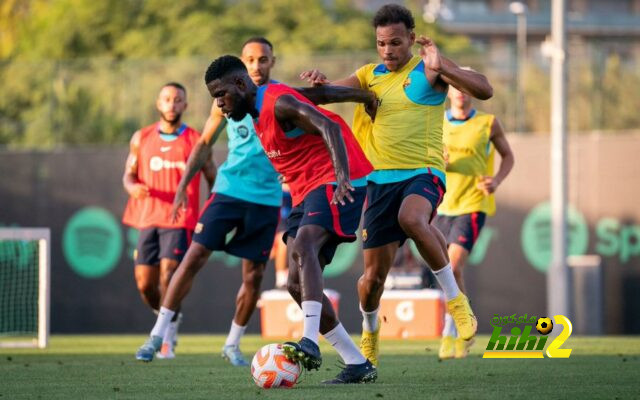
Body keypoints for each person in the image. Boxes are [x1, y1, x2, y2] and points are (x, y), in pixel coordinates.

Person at [299, 4, 493, 366]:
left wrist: (444, 65)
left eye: (396, 43)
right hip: (376, 182)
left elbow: (484, 90)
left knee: (413, 219)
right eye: (381, 43)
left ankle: (457, 303)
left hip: (423, 172)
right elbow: (323, 96)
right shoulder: (367, 75)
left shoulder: (430, 70)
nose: (388, 50)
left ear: (411, 39)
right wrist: (314, 84)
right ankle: (370, 331)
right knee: (371, 281)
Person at [205, 55, 380, 384]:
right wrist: (364, 97)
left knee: (303, 246)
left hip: (338, 179)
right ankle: (357, 362)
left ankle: (309, 341)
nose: (219, 103)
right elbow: (317, 95)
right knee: (294, 284)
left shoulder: (277, 102)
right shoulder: (263, 104)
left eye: (221, 94)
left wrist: (342, 176)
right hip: (305, 189)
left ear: (241, 85)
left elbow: (328, 124)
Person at [134, 38, 282, 366]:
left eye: (263, 59)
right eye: (250, 60)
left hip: (267, 199)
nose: (257, 66)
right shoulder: (225, 99)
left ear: (273, 61)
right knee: (195, 254)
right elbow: (204, 143)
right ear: (241, 64)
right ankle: (157, 335)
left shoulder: (283, 97)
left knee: (254, 276)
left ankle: (232, 344)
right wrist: (183, 186)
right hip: (229, 191)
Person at [122, 82, 215, 359]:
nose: (172, 104)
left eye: (178, 100)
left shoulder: (197, 141)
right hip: (148, 218)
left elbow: (214, 179)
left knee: (168, 275)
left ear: (185, 105)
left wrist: (211, 214)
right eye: (167, 99)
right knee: (144, 284)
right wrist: (131, 188)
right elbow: (128, 175)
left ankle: (165, 337)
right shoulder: (142, 137)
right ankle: (169, 317)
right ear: (158, 103)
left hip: (180, 220)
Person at [435, 83, 514, 359]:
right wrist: (435, 161)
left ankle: (448, 331)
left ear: (472, 92)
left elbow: (508, 156)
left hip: (473, 205)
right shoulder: (436, 120)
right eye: (455, 86)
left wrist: (497, 180)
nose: (460, 91)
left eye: (465, 87)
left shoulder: (488, 123)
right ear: (448, 91)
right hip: (441, 205)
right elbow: (422, 156)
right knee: (450, 273)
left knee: (452, 266)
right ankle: (465, 326)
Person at [271, 183, 292, 289]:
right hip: (277, 228)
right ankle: (281, 279)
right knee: (282, 240)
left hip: (296, 224)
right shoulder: (273, 187)